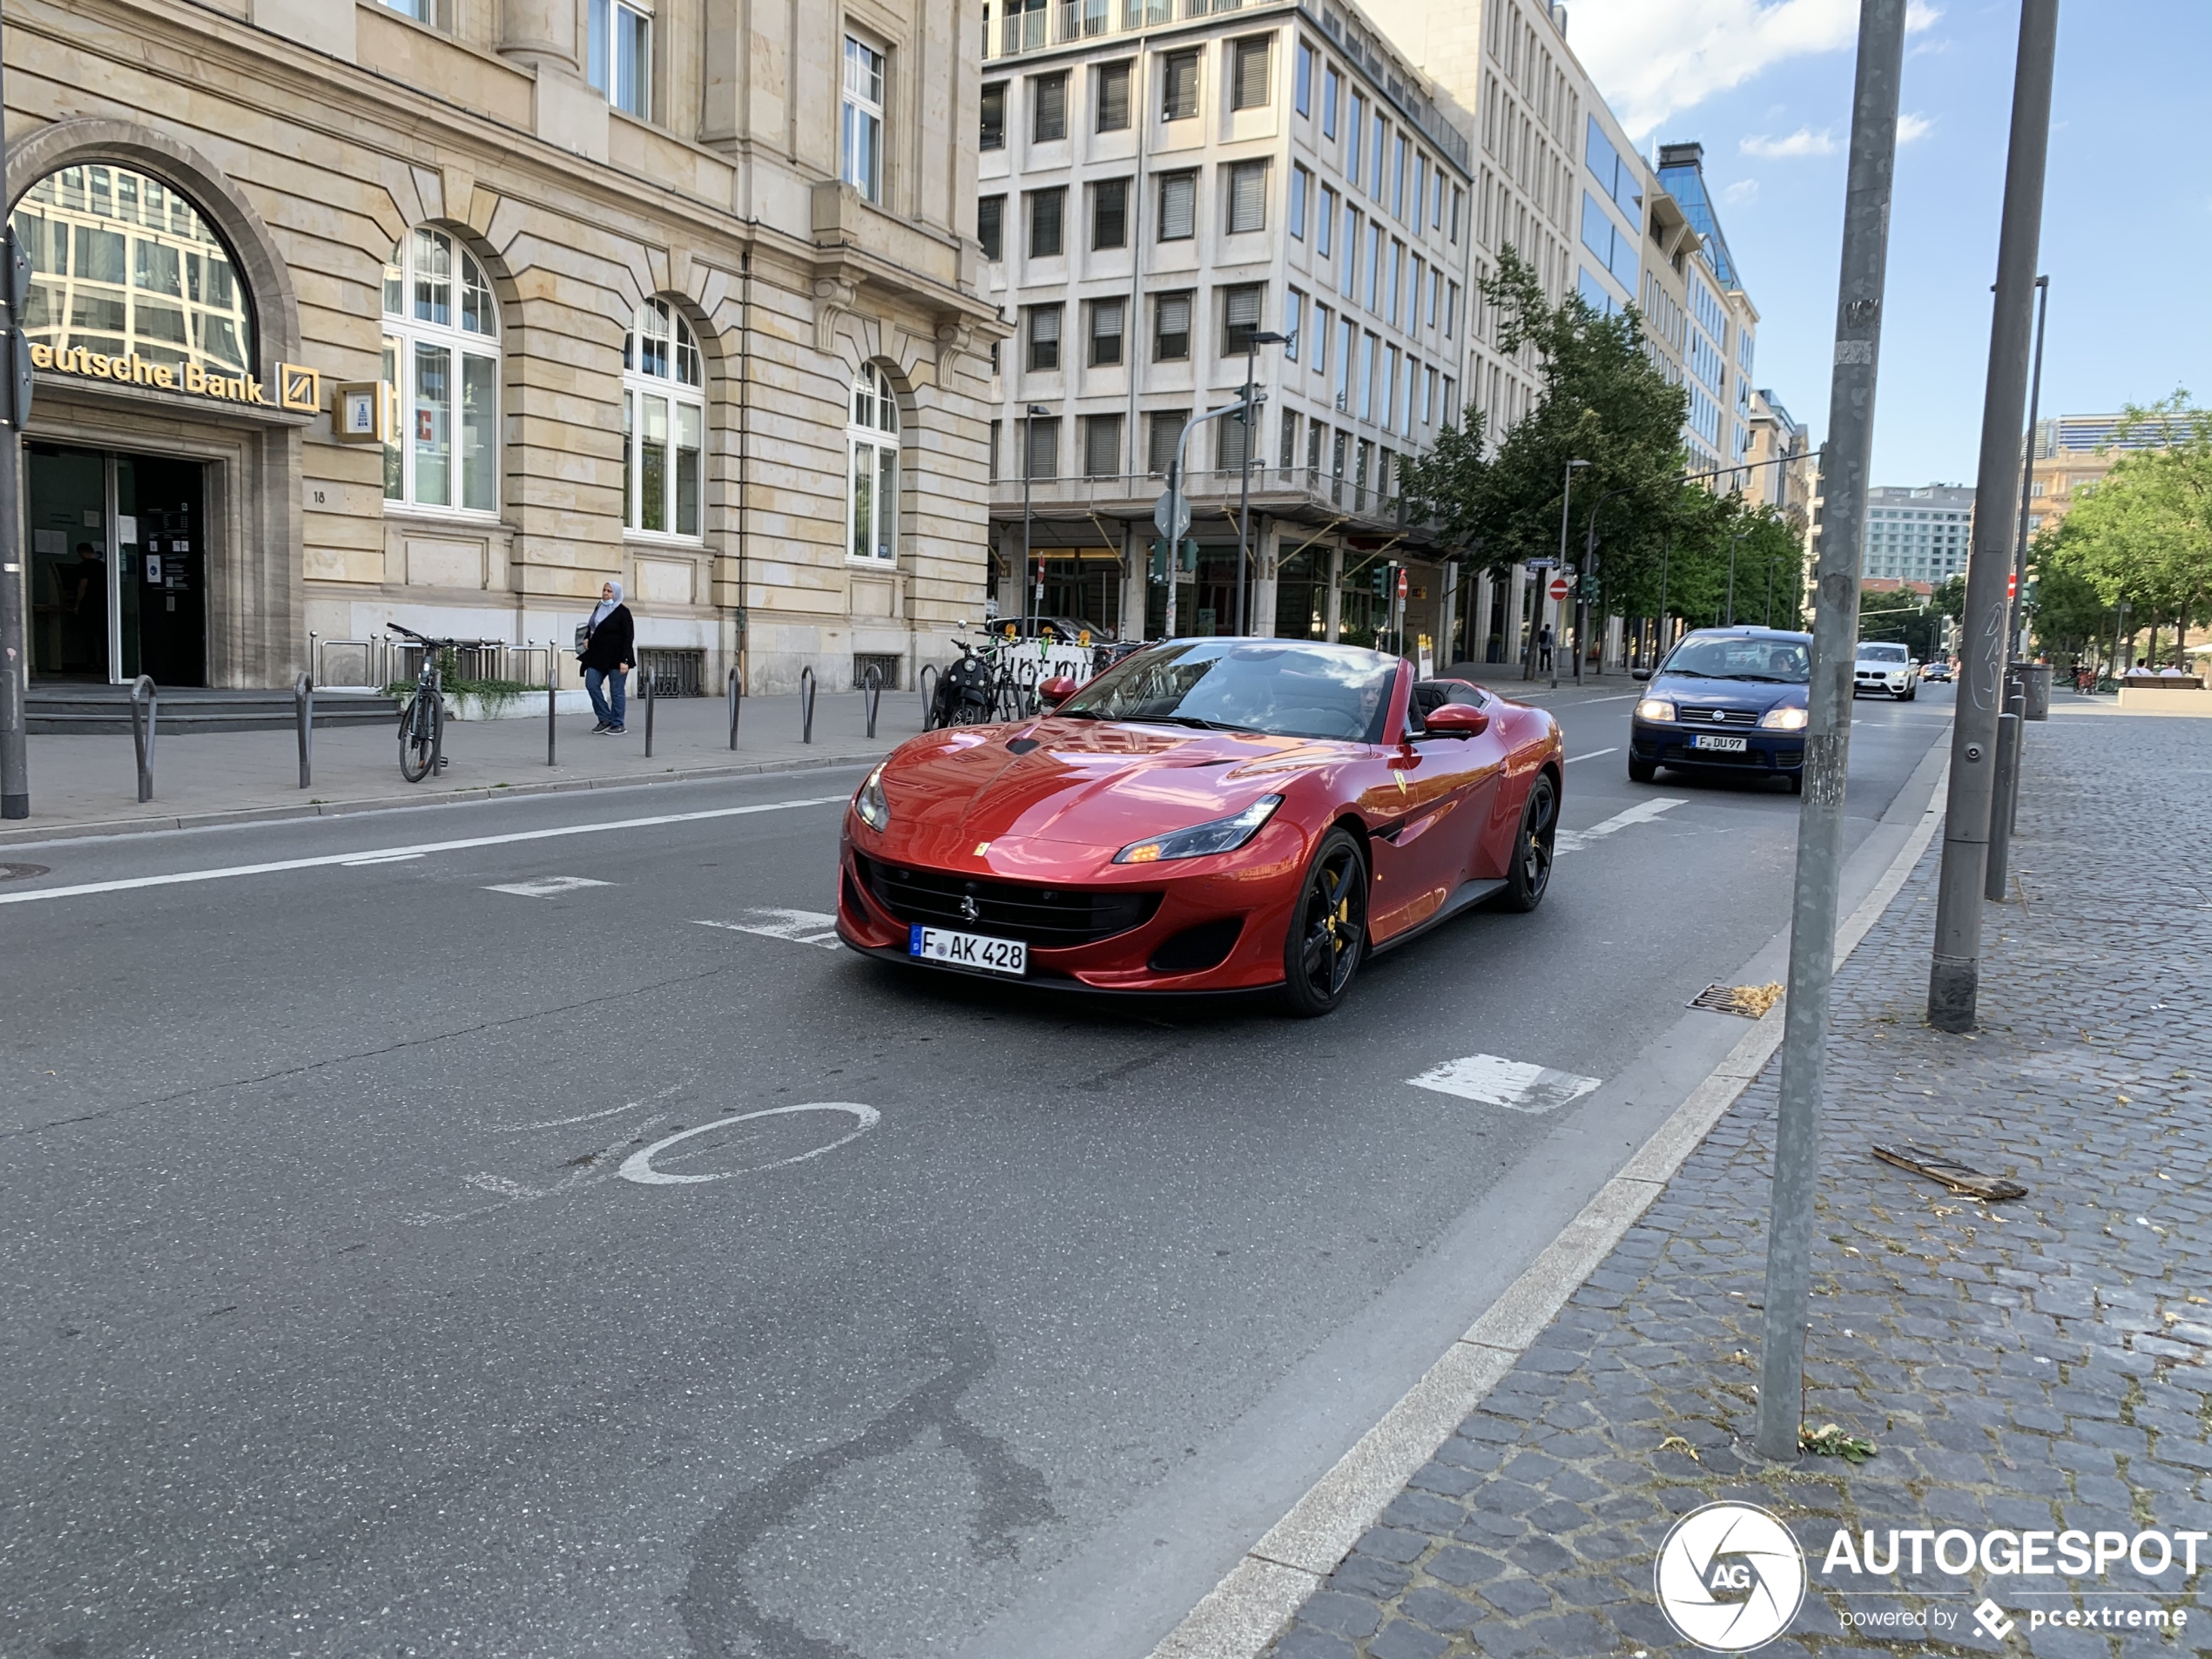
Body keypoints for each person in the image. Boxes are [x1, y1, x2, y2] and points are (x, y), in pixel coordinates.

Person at [578, 578, 635, 734]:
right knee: (591, 684)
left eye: (609, 591)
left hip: (617, 658)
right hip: (597, 656)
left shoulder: (623, 612)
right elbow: (593, 627)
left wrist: (625, 660)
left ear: (616, 594)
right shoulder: (599, 607)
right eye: (604, 590)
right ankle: (605, 718)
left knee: (616, 691)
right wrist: (587, 638)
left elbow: (628, 637)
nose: (605, 594)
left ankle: (618, 723)